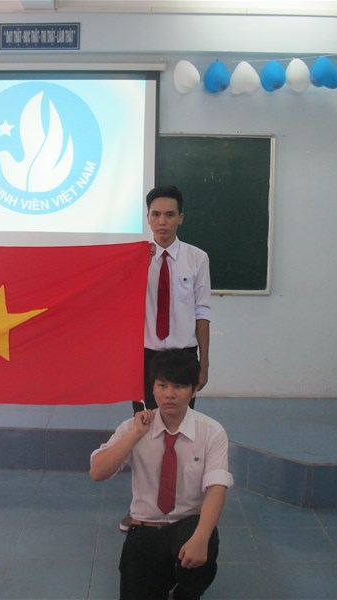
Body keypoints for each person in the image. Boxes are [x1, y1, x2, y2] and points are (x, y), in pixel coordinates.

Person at [91, 349, 233, 600]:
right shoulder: (133, 427)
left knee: (204, 545)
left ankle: (185, 592)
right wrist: (135, 436)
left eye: (179, 386)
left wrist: (201, 538)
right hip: (145, 527)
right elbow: (98, 472)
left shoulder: (211, 432)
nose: (169, 394)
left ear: (194, 390)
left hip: (187, 523)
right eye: (162, 385)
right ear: (152, 388)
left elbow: (217, 488)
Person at [122, 184, 212, 531]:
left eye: (170, 215)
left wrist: (204, 362)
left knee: (181, 432)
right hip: (144, 357)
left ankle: (184, 508)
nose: (162, 222)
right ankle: (142, 508)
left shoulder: (197, 258)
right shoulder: (134, 258)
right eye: (156, 215)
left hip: (183, 356)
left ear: (181, 218)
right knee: (144, 431)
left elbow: (202, 312)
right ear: (147, 218)